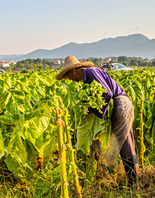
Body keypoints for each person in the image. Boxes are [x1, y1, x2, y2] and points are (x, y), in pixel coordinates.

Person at [56, 56, 139, 186]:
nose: (71, 80)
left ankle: (133, 182)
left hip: (120, 104)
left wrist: (94, 113)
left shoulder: (90, 72)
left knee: (123, 144)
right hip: (119, 105)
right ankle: (133, 178)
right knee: (126, 140)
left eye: (69, 75)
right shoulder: (87, 78)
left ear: (74, 71)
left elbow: (108, 94)